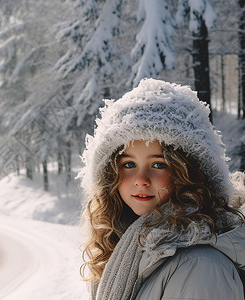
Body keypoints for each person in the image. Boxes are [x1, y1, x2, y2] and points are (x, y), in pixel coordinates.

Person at [77, 78, 245, 300]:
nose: (141, 180)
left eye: (159, 164)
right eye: (128, 164)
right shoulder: (127, 246)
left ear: (192, 172)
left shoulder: (199, 267)